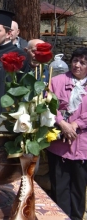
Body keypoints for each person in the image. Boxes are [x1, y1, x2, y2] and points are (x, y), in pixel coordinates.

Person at [48, 47, 87, 220]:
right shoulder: (56, 81)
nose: (77, 65)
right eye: (75, 61)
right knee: (60, 188)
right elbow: (47, 104)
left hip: (82, 146)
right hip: (59, 146)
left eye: (83, 62)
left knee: (79, 189)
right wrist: (62, 123)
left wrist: (76, 124)